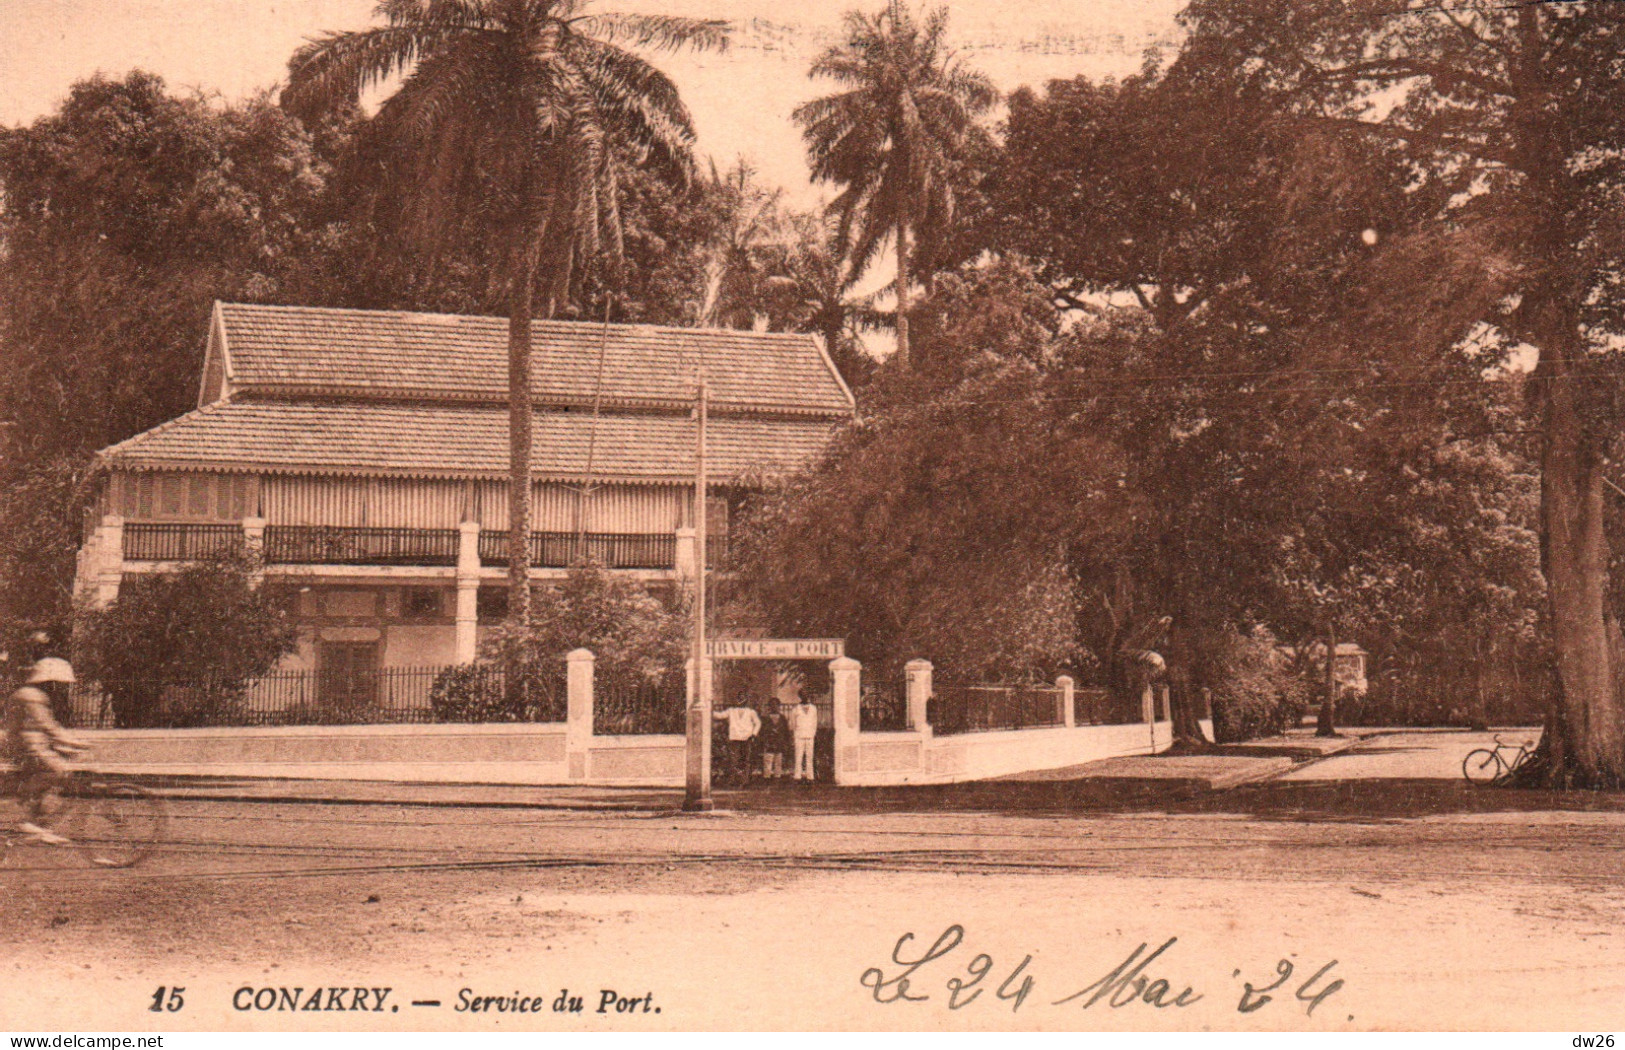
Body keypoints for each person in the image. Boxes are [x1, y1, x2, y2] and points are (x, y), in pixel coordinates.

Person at [6, 657, 88, 844]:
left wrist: (69, 743)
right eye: (59, 683)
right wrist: (73, 742)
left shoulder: (36, 696)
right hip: (26, 746)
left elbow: (48, 727)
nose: (61, 688)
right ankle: (27, 806)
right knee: (57, 770)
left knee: (57, 773)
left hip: (34, 744)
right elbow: (46, 726)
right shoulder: (30, 696)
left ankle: (39, 824)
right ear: (49, 681)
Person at [721, 702, 761, 784]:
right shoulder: (731, 711)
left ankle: (745, 780)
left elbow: (758, 723)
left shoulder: (751, 712)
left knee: (746, 759)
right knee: (734, 759)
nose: (741, 701)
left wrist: (753, 734)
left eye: (743, 698)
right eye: (739, 698)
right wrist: (709, 708)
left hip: (747, 738)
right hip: (734, 738)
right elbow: (720, 715)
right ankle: (733, 779)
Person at [791, 696, 819, 782]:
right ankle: (797, 776)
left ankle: (810, 777)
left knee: (809, 756)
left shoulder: (813, 708)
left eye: (807, 695)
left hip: (810, 735)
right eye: (803, 695)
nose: (805, 697)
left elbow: (815, 722)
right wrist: (794, 734)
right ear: (800, 696)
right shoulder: (796, 709)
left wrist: (813, 734)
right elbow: (793, 723)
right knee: (798, 756)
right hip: (799, 735)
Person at [761, 704, 790, 779]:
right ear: (769, 707)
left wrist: (786, 741)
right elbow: (762, 730)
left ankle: (777, 777)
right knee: (768, 760)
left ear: (779, 706)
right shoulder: (765, 718)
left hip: (779, 741)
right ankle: (766, 777)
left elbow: (786, 730)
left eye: (776, 704)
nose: (774, 706)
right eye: (772, 704)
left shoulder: (782, 718)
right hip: (769, 741)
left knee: (778, 760)